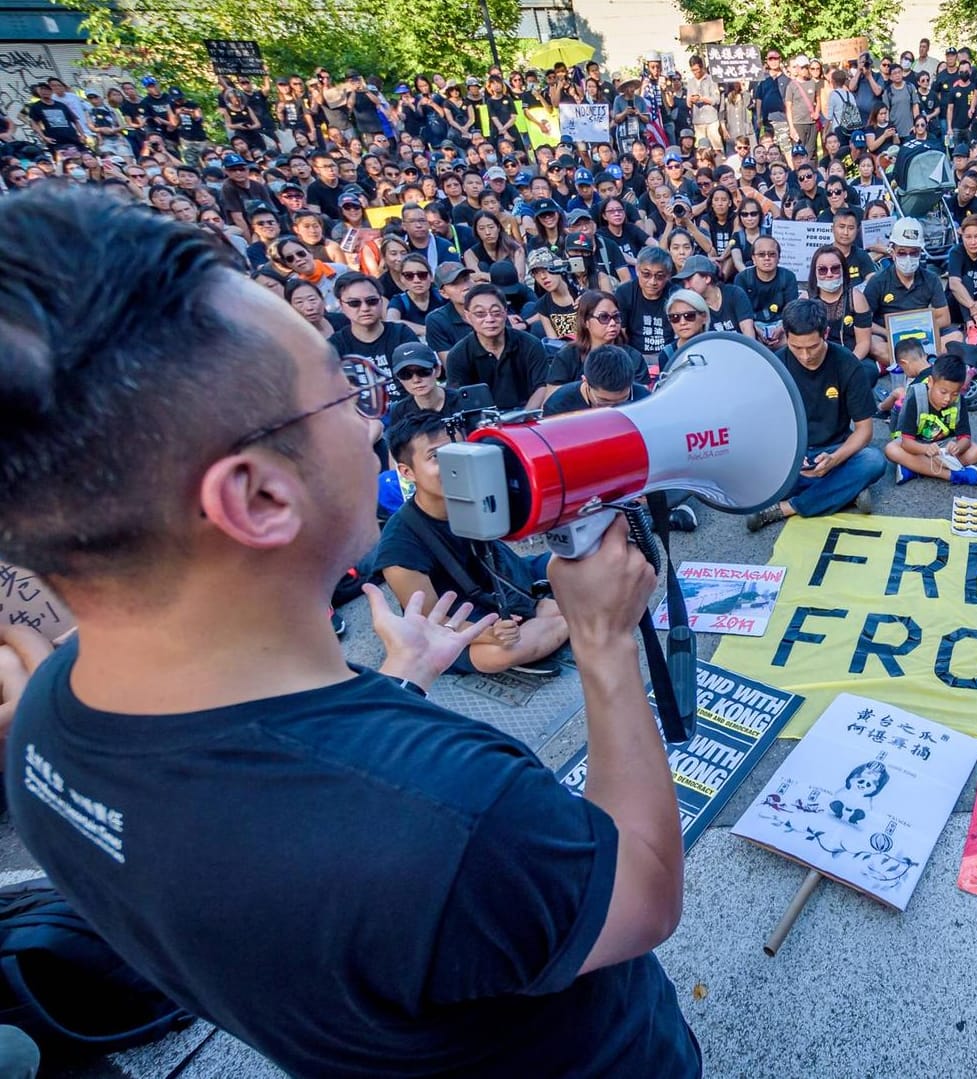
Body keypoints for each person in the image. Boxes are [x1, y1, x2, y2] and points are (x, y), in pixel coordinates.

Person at [0, 186, 699, 1077]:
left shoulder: (47, 731)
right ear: (257, 496)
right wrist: (603, 644)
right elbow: (643, 893)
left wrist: (397, 686)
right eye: (338, 398)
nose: (374, 424)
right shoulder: (459, 816)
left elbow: (273, 823)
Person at [378, 412, 569, 677]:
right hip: (462, 624)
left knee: (582, 560)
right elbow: (429, 622)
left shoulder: (477, 492)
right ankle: (566, 621)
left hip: (511, 585)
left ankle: (558, 619)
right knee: (503, 651)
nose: (452, 465)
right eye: (436, 457)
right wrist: (488, 634)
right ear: (407, 472)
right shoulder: (399, 545)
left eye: (455, 452)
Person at [746, 299, 884, 531]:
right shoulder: (776, 366)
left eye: (812, 346)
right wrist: (788, 454)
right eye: (796, 347)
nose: (805, 356)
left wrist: (835, 460)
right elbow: (765, 427)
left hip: (835, 448)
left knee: (874, 461)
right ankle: (844, 492)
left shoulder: (847, 364)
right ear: (786, 336)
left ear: (826, 333)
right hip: (791, 453)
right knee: (751, 471)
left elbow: (864, 430)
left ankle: (786, 508)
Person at [863, 217, 956, 363]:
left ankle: (907, 364)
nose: (908, 257)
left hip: (923, 335)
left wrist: (918, 331)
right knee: (874, 344)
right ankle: (925, 364)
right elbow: (865, 321)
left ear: (920, 252)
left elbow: (944, 318)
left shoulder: (931, 279)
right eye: (902, 252)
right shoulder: (878, 281)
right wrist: (890, 333)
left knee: (956, 338)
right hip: (889, 337)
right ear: (892, 252)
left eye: (914, 253)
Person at [442, 283, 549, 410]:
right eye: (480, 314)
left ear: (505, 313)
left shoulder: (530, 344)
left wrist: (524, 416)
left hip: (526, 417)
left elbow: (542, 387)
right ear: (468, 317)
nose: (490, 319)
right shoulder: (458, 355)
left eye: (496, 312)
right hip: (482, 421)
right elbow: (458, 399)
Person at [884, 351, 977, 485]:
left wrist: (958, 447)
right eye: (943, 392)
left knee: (976, 452)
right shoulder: (915, 397)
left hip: (944, 448)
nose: (948, 398)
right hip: (918, 446)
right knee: (891, 449)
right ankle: (953, 475)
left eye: (954, 393)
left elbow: (965, 438)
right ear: (931, 382)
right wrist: (926, 449)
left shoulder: (959, 401)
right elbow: (907, 443)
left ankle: (916, 468)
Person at [328, 273, 420, 387]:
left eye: (371, 301)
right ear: (341, 305)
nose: (365, 308)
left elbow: (420, 377)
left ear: (381, 301)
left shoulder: (402, 334)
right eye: (354, 303)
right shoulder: (335, 346)